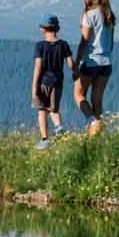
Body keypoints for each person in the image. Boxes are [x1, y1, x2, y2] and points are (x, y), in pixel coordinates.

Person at [72, 0, 117, 136]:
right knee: (97, 99)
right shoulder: (109, 15)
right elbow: (111, 42)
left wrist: (76, 63)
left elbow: (84, 41)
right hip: (106, 62)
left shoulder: (89, 15)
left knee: (78, 94)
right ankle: (96, 134)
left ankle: (92, 121)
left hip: (91, 61)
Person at [30, 16, 73, 146]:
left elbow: (38, 67)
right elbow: (71, 64)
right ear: (57, 28)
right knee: (54, 109)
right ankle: (59, 127)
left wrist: (34, 87)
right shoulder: (63, 45)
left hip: (43, 82)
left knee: (42, 110)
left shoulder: (40, 46)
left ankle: (44, 140)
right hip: (58, 83)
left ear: (43, 29)